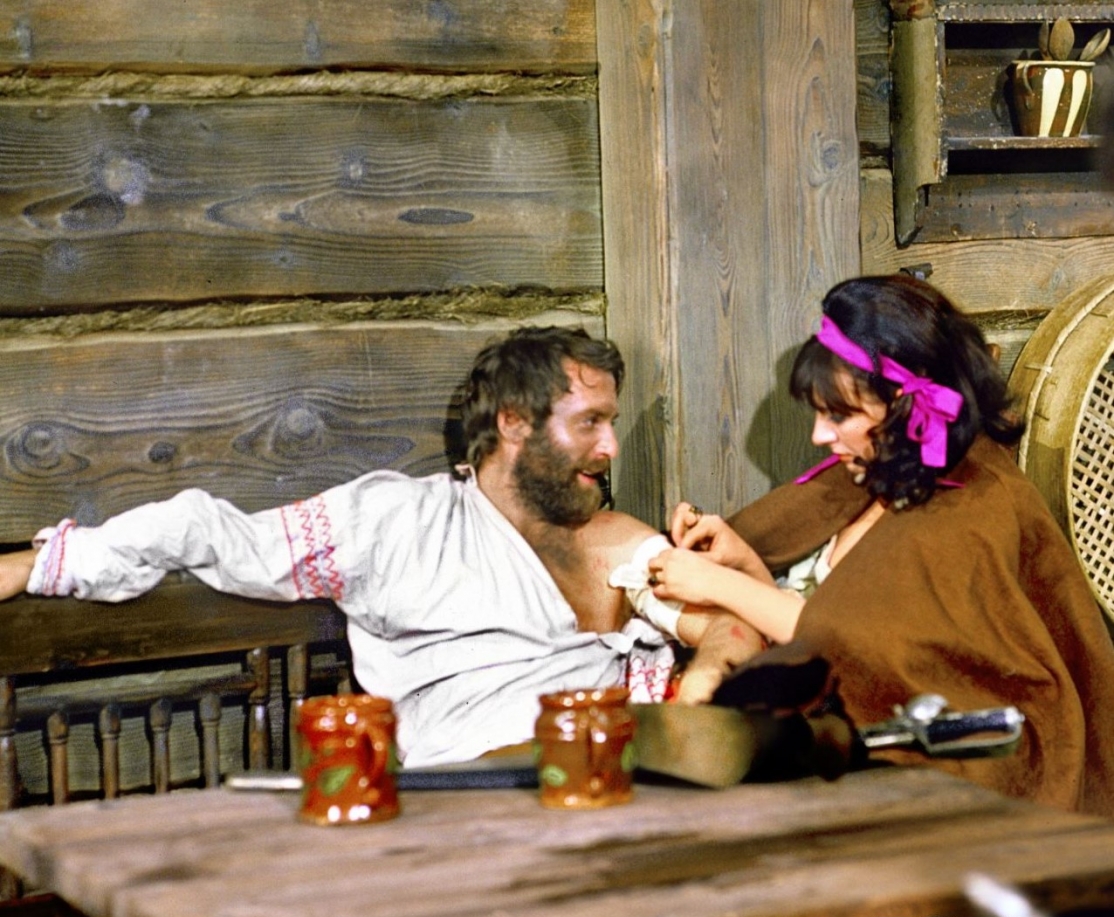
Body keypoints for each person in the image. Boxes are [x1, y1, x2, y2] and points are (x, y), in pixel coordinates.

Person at [0, 326, 758, 767]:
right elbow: (206, 531)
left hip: (635, 770)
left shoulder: (615, 540)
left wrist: (703, 679)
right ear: (514, 424)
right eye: (589, 422)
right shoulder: (393, 525)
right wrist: (40, 564)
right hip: (486, 796)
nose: (612, 446)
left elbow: (725, 622)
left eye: (612, 422)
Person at [647, 275, 1114, 816]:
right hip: (856, 716)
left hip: (974, 754)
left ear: (903, 403)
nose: (820, 436)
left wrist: (717, 584)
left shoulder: (971, 505)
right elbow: (831, 618)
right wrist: (743, 560)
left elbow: (858, 644)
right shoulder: (876, 473)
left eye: (839, 415)